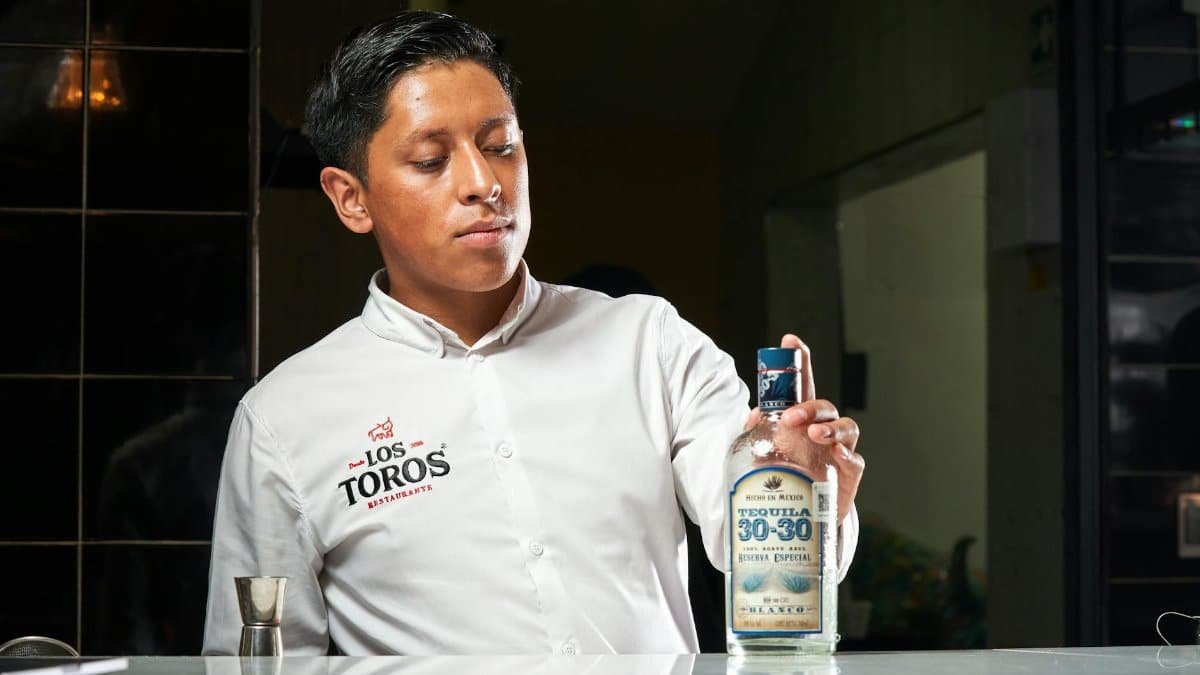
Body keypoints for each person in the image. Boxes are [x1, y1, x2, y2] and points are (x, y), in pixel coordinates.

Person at [202, 11, 864, 656]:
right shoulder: (285, 420)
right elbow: (259, 659)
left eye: (500, 146)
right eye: (432, 159)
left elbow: (772, 562)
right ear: (351, 197)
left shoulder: (649, 343)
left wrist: (805, 489)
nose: (485, 184)